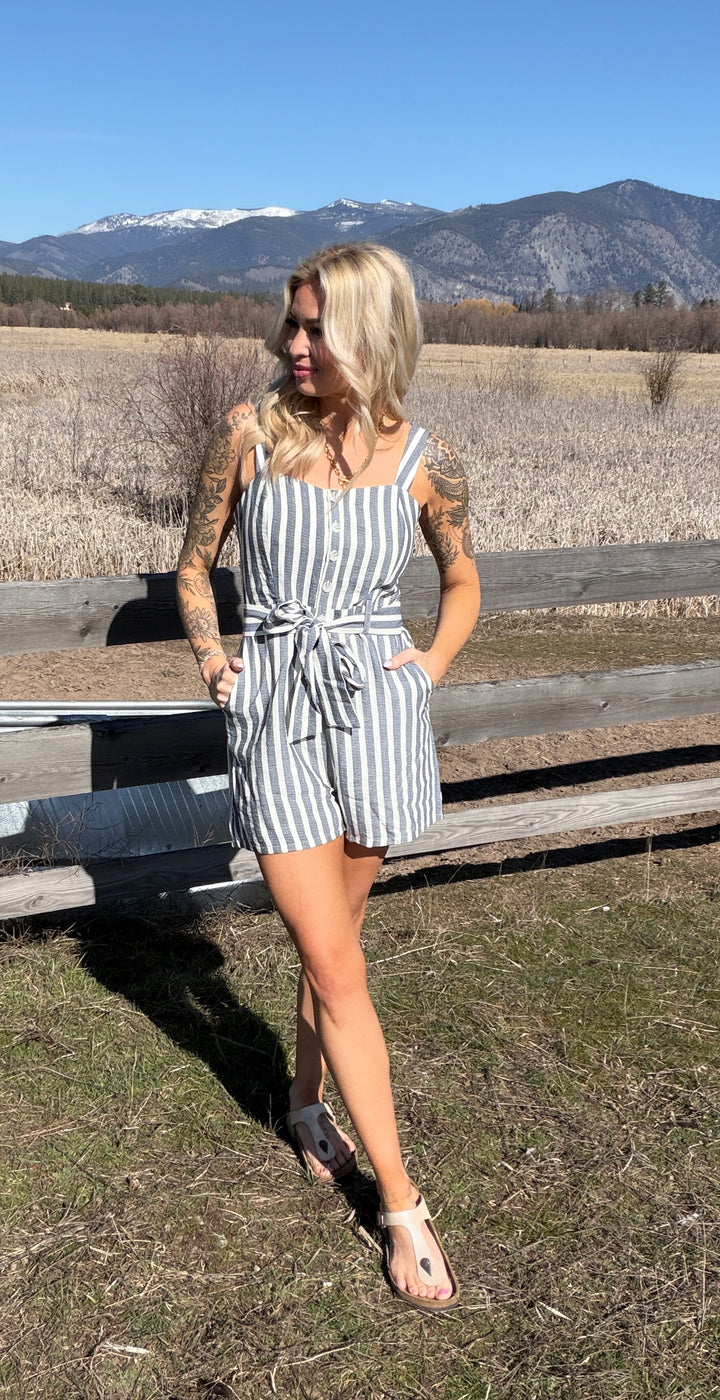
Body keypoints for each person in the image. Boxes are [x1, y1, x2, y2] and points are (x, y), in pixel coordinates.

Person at [176, 242, 480, 1312]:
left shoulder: (420, 455)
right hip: (277, 717)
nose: (296, 345)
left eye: (319, 327)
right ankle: (402, 1203)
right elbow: (193, 562)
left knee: (334, 947)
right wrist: (218, 662)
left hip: (374, 716)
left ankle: (305, 1102)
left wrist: (430, 663)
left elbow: (463, 575)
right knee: (336, 963)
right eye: (291, 324)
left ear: (374, 332)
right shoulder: (248, 436)